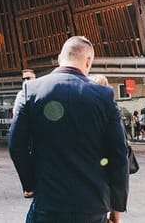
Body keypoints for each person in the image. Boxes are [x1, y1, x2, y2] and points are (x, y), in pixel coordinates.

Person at [9, 36, 128, 223]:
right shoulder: (104, 96)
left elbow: (16, 145)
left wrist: (30, 184)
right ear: (88, 61)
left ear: (59, 58)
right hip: (93, 205)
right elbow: (119, 155)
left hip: (48, 201)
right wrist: (116, 208)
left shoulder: (31, 90)